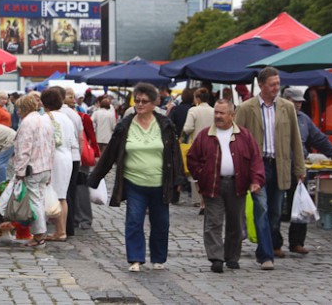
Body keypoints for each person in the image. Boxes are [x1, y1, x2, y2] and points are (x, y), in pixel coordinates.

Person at [88, 82, 186, 272]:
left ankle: (158, 258)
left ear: (154, 103)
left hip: (160, 183)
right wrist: (96, 177)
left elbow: (174, 154)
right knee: (134, 220)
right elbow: (110, 153)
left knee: (161, 223)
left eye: (144, 101)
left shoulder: (164, 124)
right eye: (137, 101)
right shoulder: (125, 125)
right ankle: (135, 258)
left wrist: (178, 179)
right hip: (134, 182)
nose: (139, 105)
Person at [235, 67, 306, 269]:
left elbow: (295, 140)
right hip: (258, 167)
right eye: (272, 84)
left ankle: (263, 248)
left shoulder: (286, 107)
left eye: (278, 83)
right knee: (262, 208)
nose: (277, 87)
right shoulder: (246, 108)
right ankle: (266, 256)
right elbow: (237, 141)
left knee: (275, 213)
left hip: (280, 165)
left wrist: (300, 168)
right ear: (261, 85)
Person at [186, 99, 266, 273]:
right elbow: (192, 158)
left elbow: (255, 160)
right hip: (213, 184)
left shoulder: (244, 136)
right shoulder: (205, 135)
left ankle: (231, 256)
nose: (218, 116)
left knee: (235, 223)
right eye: (216, 112)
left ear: (232, 115)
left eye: (222, 113)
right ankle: (216, 257)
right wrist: (202, 174)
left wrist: (256, 180)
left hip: (237, 184)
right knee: (213, 223)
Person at [282, 87, 332, 255]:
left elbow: (319, 139)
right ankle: (274, 244)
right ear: (286, 100)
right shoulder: (277, 116)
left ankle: (297, 242)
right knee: (275, 208)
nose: (299, 105)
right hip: (278, 167)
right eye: (295, 102)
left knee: (301, 205)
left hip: (298, 169)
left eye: (300, 102)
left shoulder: (304, 120)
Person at [12, 95, 55, 247]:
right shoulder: (45, 120)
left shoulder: (27, 123)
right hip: (45, 167)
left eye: (18, 108)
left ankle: (39, 236)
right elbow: (52, 145)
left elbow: (24, 149)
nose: (17, 111)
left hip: (33, 169)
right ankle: (40, 234)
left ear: (24, 108)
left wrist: (19, 172)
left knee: (34, 202)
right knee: (40, 201)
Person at [41, 88, 76, 241]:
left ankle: (59, 231)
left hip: (53, 157)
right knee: (62, 196)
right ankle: (61, 231)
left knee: (51, 194)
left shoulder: (45, 118)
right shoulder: (66, 118)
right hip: (67, 157)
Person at [51, 86, 83, 237]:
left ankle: (62, 228)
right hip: (73, 156)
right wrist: (80, 155)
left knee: (61, 193)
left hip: (60, 157)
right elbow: (79, 138)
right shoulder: (74, 115)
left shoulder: (50, 116)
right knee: (70, 192)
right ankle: (69, 227)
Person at [183, 87, 215, 214]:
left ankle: (201, 201)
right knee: (209, 174)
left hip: (196, 145)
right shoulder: (214, 111)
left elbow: (187, 128)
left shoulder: (193, 110)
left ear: (197, 98)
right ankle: (205, 202)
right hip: (212, 145)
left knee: (197, 175)